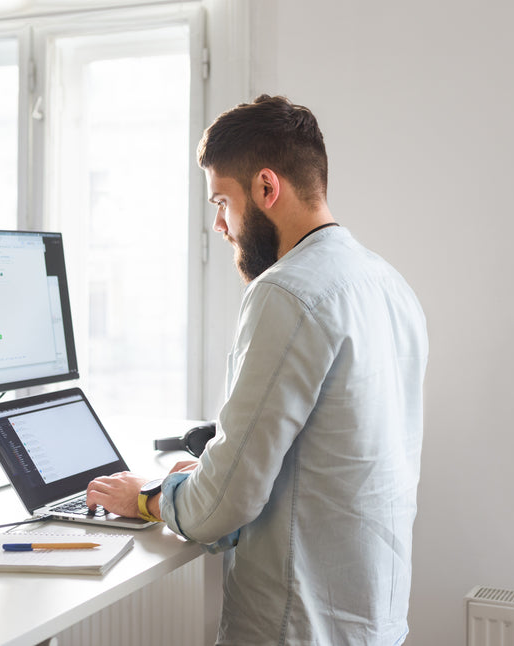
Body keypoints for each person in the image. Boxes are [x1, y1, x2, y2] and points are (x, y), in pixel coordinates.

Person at [86, 94, 428, 645]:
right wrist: (196, 478)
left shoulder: (286, 292)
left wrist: (146, 496)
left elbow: (226, 504)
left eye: (222, 201)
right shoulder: (387, 283)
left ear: (267, 188)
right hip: (372, 622)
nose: (221, 225)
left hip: (294, 627)